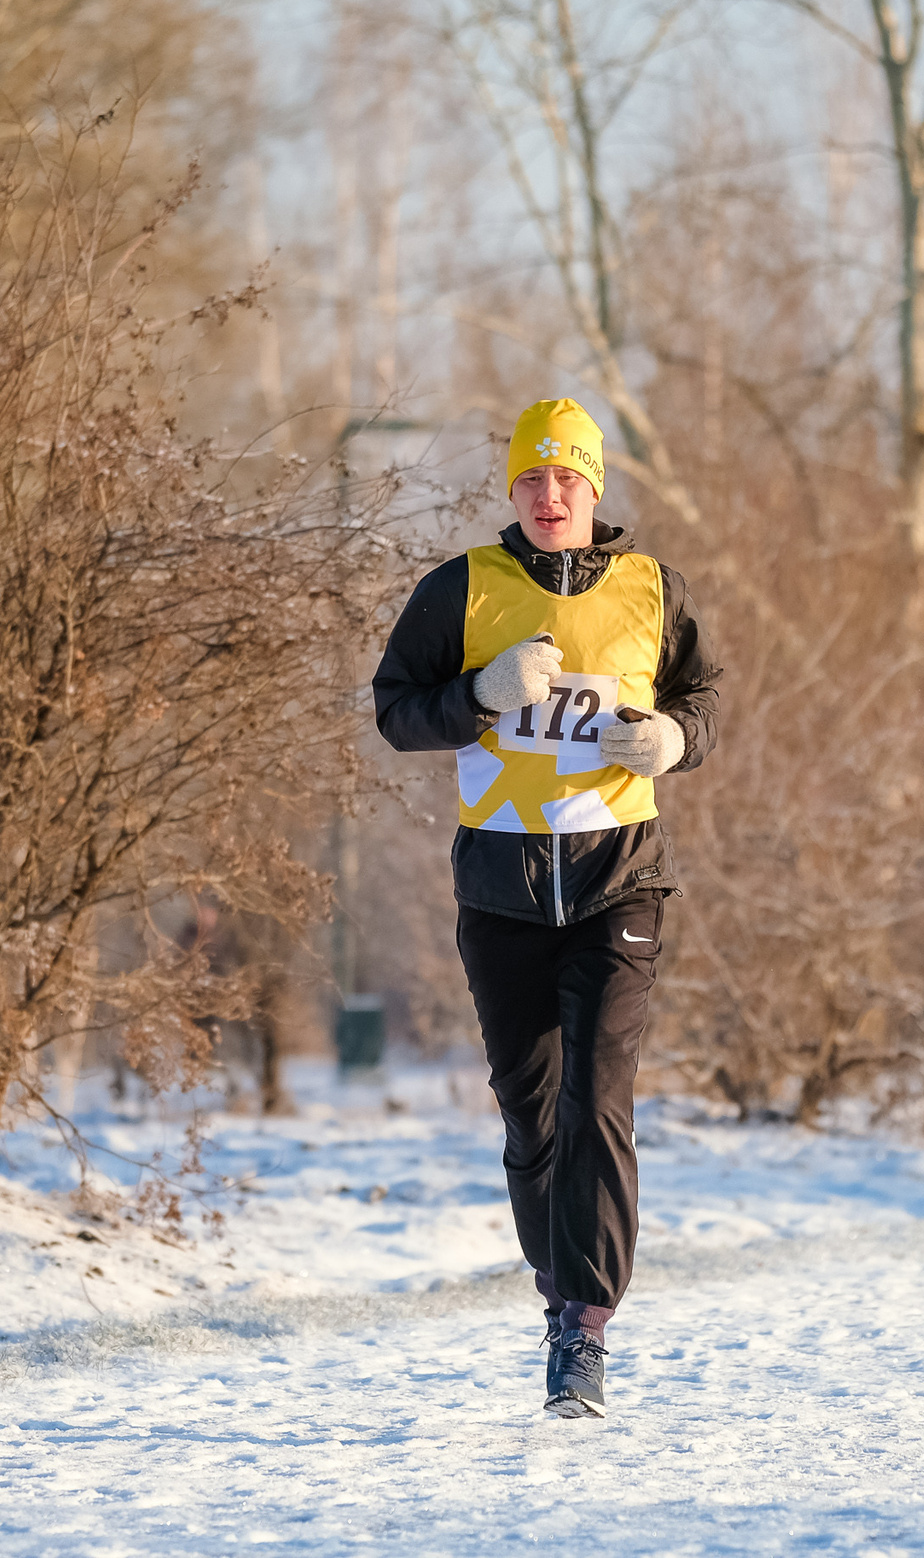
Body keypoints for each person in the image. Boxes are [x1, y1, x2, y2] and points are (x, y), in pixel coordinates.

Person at [371, 398, 719, 1419]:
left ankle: (583, 1325)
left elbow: (706, 701)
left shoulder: (654, 589)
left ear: (595, 487)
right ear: (512, 490)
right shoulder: (461, 590)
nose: (550, 494)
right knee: (531, 1112)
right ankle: (556, 1284)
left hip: (622, 882)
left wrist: (672, 742)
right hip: (501, 889)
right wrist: (479, 693)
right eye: (532, 479)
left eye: (568, 478)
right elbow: (395, 711)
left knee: (595, 1101)